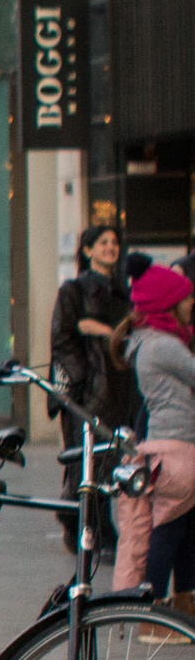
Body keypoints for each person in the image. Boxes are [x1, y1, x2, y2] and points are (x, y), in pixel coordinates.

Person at [109, 262, 195, 613]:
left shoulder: (152, 341)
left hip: (172, 443)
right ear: (168, 304)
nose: (192, 303)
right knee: (169, 531)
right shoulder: (163, 346)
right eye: (187, 298)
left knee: (185, 530)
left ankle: (185, 606)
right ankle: (153, 611)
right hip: (176, 447)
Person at [51, 225, 134, 550]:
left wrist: (103, 331)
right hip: (89, 389)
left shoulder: (123, 291)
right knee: (88, 459)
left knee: (109, 458)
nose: (110, 248)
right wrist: (81, 377)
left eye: (114, 243)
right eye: (103, 242)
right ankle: (90, 526)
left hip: (120, 385)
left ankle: (79, 519)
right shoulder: (73, 289)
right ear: (87, 250)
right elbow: (63, 335)